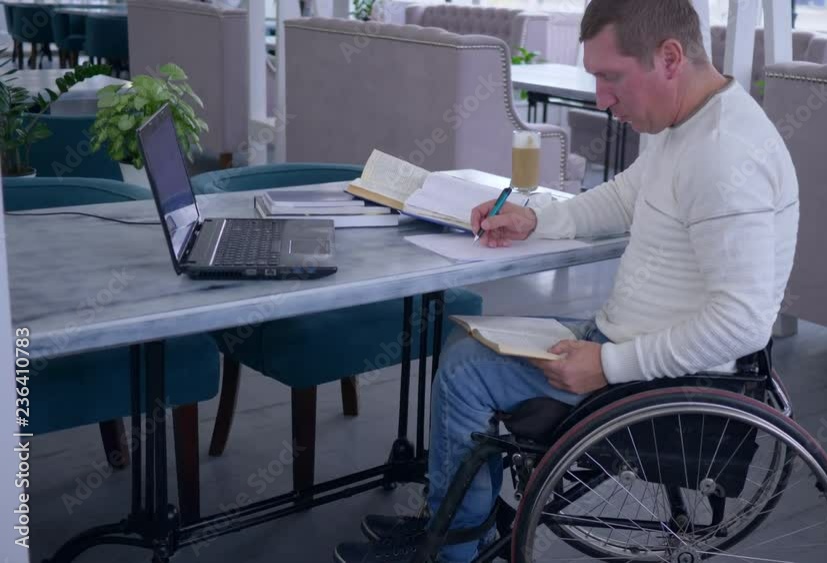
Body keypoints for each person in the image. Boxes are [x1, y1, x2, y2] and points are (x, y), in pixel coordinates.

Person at [334, 0, 799, 561]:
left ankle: (453, 547)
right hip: (627, 346)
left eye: (610, 77)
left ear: (670, 58)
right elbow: (625, 196)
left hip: (659, 379)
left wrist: (605, 365)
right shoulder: (692, 124)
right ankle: (457, 523)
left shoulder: (726, 156)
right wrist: (537, 218)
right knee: (468, 344)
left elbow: (743, 323)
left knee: (464, 370)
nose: (602, 99)